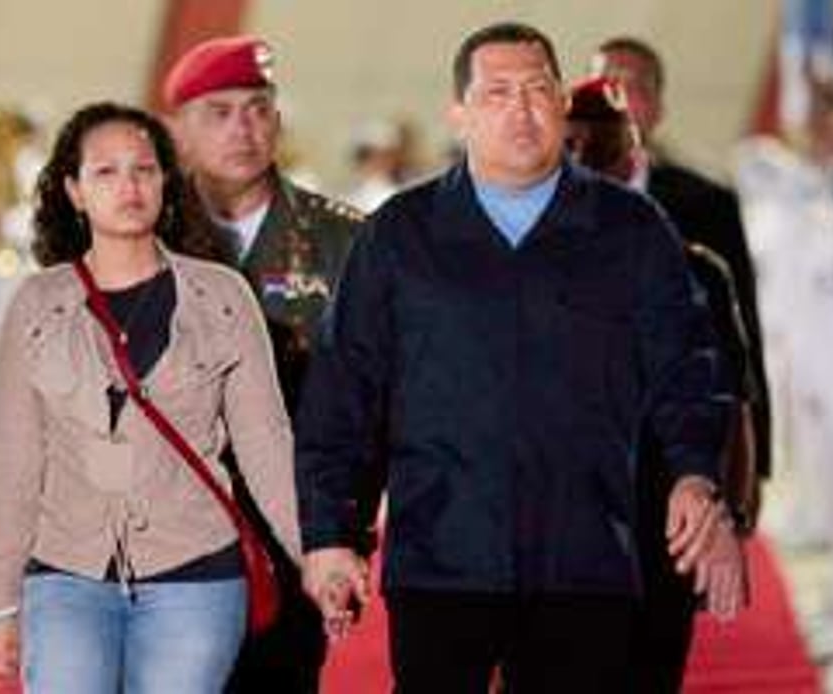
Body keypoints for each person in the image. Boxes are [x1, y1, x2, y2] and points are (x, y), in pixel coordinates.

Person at [295, 22, 736, 693]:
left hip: (583, 556)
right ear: (459, 113)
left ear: (562, 104)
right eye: (496, 92)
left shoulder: (629, 230)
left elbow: (688, 368)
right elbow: (345, 392)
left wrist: (693, 474)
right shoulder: (401, 235)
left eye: (536, 90)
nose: (520, 109)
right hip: (441, 557)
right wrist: (332, 533)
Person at [0, 101, 299, 692]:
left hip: (196, 577)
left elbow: (265, 444)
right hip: (65, 576)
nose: (128, 185)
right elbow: (15, 466)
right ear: (74, 190)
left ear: (165, 184)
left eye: (144, 170)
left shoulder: (222, 296)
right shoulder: (35, 305)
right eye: (105, 171)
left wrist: (315, 556)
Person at [163, 35, 372, 692]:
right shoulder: (138, 234)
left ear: (277, 119)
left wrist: (340, 530)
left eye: (256, 108)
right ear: (180, 131)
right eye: (218, 112)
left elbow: (373, 398)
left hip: (290, 535)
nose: (242, 129)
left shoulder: (347, 241)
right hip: (158, 537)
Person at [564, 74, 751, 692]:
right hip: (551, 520)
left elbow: (726, 390)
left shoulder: (688, 263)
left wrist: (732, 503)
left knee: (651, 665)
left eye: (601, 144)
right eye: (574, 145)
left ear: (632, 151)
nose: (585, 158)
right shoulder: (516, 264)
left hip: (657, 513)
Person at [591, 37, 772, 495]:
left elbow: (742, 331)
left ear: (657, 107)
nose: (618, 99)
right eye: (605, 84)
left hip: (680, 451)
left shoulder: (708, 204)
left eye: (632, 86)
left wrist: (755, 462)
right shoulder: (555, 203)